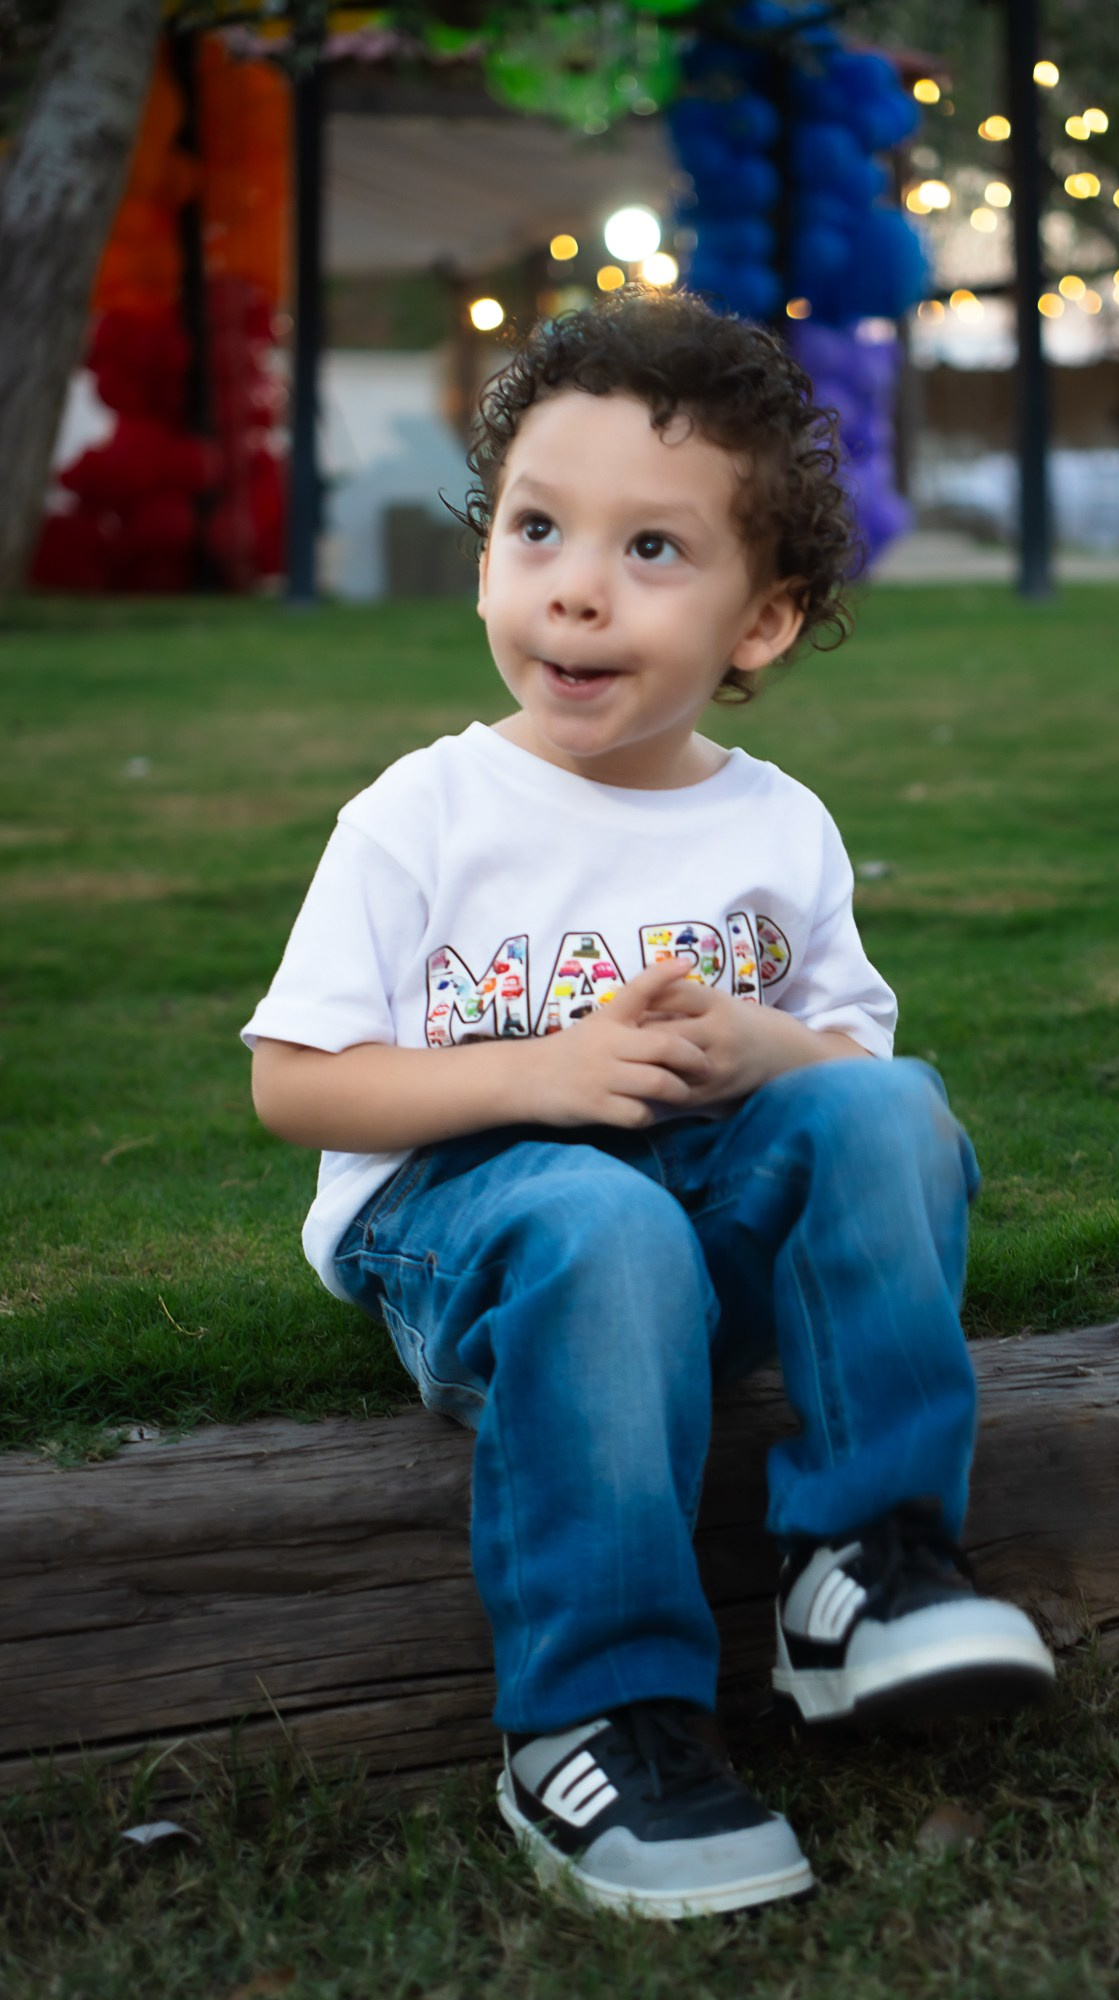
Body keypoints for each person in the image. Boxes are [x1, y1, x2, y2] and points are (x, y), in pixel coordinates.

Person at [243, 288, 1055, 1921]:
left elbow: (860, 1089)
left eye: (652, 552)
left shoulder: (779, 828)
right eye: (537, 529)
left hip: (703, 1220)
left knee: (893, 1110)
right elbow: (296, 1085)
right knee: (598, 1214)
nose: (576, 590)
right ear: (486, 552)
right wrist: (535, 1079)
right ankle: (591, 1719)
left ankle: (864, 1570)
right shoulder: (426, 814)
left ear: (761, 622)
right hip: (473, 1224)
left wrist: (764, 1053)